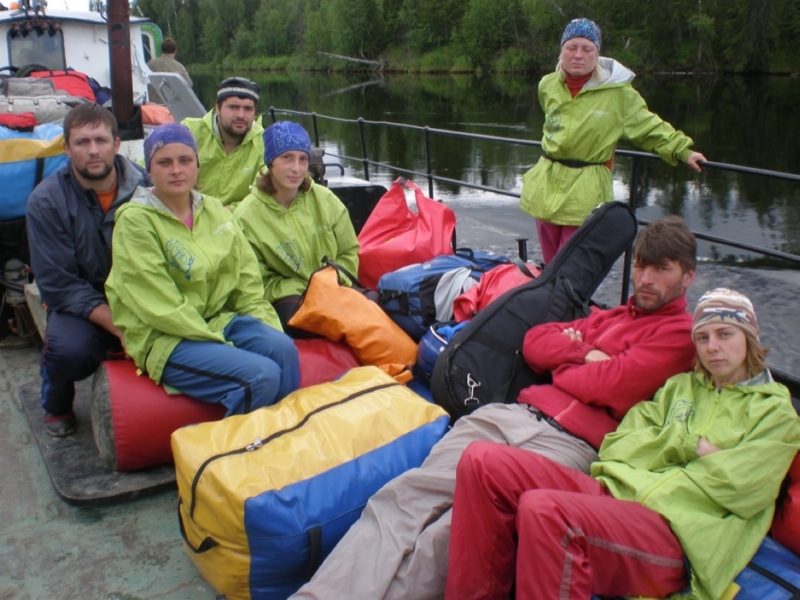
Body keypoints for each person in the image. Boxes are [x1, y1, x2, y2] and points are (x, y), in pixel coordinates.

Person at [291, 215, 698, 600]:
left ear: (688, 276)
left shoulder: (680, 335)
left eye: (661, 270)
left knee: (448, 532)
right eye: (642, 267)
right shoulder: (609, 317)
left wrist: (573, 357)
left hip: (569, 446)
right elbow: (536, 343)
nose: (645, 279)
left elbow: (614, 385)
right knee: (402, 497)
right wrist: (587, 355)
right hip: (512, 415)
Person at [445, 288, 800, 600]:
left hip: (677, 533)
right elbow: (619, 445)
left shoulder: (775, 414)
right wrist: (692, 446)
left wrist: (657, 448)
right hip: (616, 493)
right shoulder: (680, 388)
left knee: (546, 511)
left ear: (749, 337)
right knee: (482, 461)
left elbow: (742, 487)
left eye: (725, 334)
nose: (713, 348)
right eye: (703, 337)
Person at [104, 123, 300, 416]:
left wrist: (268, 330)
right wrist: (221, 346)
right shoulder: (135, 222)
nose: (176, 170)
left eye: (185, 161)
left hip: (217, 320)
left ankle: (284, 437)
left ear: (197, 165)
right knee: (263, 375)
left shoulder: (213, 210)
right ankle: (234, 455)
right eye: (164, 162)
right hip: (166, 337)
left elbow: (247, 280)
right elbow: (160, 306)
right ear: (149, 170)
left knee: (284, 352)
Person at [520, 18, 707, 264]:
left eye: (587, 49)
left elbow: (648, 126)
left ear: (597, 54)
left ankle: (569, 302)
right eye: (571, 47)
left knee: (571, 266)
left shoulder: (619, 94)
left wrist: (682, 150)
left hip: (584, 189)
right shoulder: (547, 85)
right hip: (547, 183)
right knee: (550, 262)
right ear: (561, 51)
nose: (578, 55)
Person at [26, 103, 149, 437]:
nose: (93, 150)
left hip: (143, 297)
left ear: (116, 143)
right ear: (66, 147)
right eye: (82, 142)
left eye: (100, 140)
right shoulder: (46, 201)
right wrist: (119, 326)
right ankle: (57, 399)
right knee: (70, 350)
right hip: (82, 303)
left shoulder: (147, 188)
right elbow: (58, 283)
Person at [234, 121, 359, 331]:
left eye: (303, 159)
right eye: (287, 158)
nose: (296, 168)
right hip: (289, 299)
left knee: (374, 305)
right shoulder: (246, 217)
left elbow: (349, 250)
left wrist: (334, 280)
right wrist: (308, 288)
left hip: (335, 288)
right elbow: (255, 281)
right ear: (270, 162)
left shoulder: (325, 199)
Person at [182, 77, 264, 207]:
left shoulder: (263, 143)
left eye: (248, 109)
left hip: (236, 221)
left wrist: (222, 215)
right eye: (233, 107)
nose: (241, 115)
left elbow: (262, 197)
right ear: (218, 108)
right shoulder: (189, 132)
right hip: (188, 214)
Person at [146, 37, 192, 104]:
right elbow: (189, 84)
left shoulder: (150, 64)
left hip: (154, 105)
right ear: (175, 51)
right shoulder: (179, 67)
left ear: (162, 50)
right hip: (172, 106)